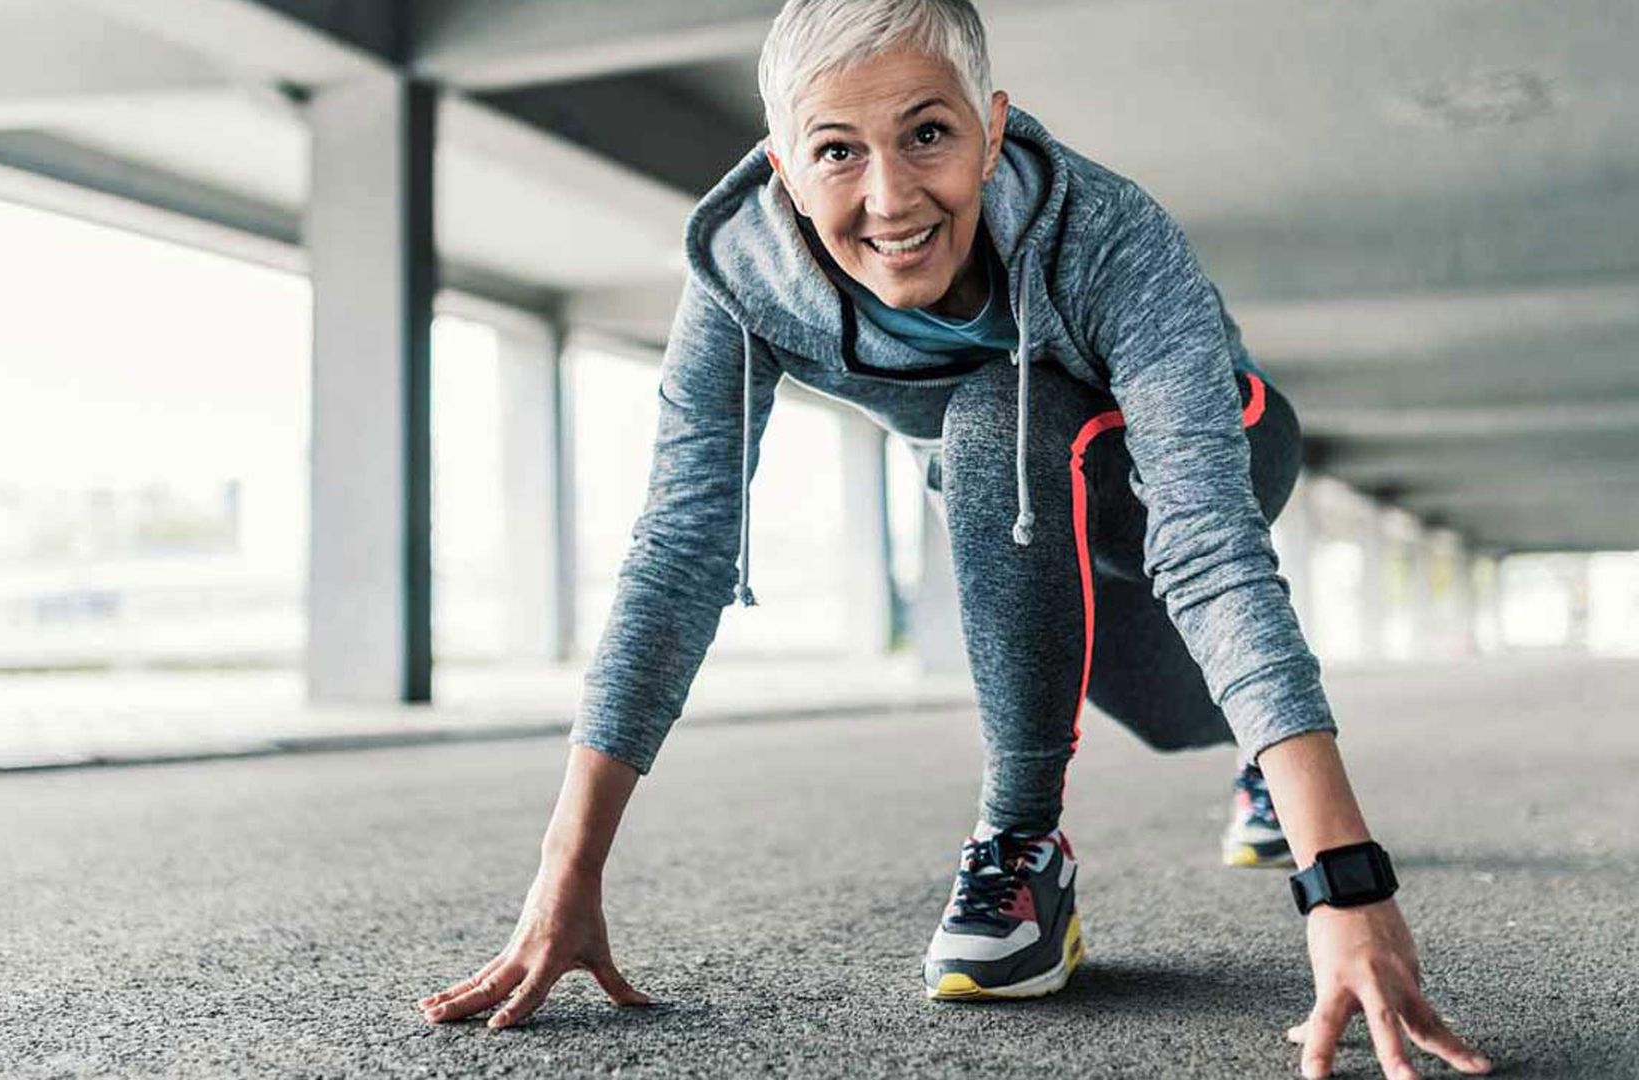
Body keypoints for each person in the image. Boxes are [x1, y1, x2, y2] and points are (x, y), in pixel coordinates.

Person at [420, 2, 1494, 1077]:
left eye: (928, 134)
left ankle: (1022, 848)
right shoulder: (739, 267)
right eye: (837, 152)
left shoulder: (1107, 231)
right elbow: (681, 549)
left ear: (991, 127)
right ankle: (1253, 760)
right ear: (783, 169)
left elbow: (1206, 545)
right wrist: (567, 875)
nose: (890, 200)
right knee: (1171, 709)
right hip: (1023, 496)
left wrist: (1344, 879)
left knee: (990, 425)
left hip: (1226, 446)